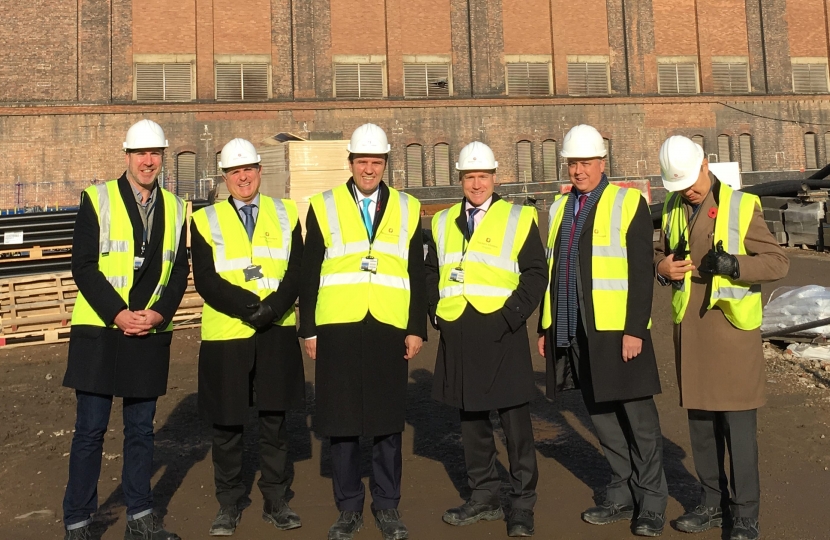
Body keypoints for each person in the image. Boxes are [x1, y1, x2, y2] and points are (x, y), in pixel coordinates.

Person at [654, 136, 789, 540]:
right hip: (691, 332)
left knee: (738, 430)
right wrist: (662, 267)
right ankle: (712, 504)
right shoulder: (672, 207)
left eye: (691, 182)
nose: (688, 191)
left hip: (732, 333)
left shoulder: (742, 205)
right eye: (678, 186)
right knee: (700, 426)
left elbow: (778, 262)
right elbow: (661, 253)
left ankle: (745, 514)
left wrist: (734, 265)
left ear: (706, 164)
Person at [538, 124, 668, 537]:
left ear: (601, 162)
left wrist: (635, 330)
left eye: (585, 163)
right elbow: (554, 271)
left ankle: (652, 501)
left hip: (618, 331)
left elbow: (641, 273)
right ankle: (621, 493)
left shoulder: (627, 202)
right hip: (574, 329)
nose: (578, 170)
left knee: (639, 421)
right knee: (603, 417)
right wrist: (546, 327)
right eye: (572, 163)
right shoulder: (559, 208)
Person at [299, 123, 427, 540]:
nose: (369, 169)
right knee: (342, 421)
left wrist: (415, 327)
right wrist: (309, 329)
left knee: (388, 421)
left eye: (376, 162)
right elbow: (309, 270)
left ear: (386, 163)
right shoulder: (324, 205)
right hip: (337, 324)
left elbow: (416, 271)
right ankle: (349, 506)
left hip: (389, 324)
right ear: (350, 162)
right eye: (361, 162)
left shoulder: (408, 207)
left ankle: (387, 504)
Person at [61, 119, 188, 540]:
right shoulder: (97, 199)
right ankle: (78, 522)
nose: (148, 161)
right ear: (128, 156)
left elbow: (178, 270)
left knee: (140, 431)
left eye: (155, 154)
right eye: (140, 154)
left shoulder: (177, 207)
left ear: (162, 157)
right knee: (90, 431)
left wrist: (159, 315)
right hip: (101, 331)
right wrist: (118, 313)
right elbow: (83, 265)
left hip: (148, 333)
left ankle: (140, 518)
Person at [426, 142, 547, 537]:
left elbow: (535, 273)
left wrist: (510, 317)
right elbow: (430, 271)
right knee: (472, 420)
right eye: (469, 177)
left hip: (502, 332)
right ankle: (484, 497)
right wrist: (436, 311)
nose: (476, 184)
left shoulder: (518, 218)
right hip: (458, 330)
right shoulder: (442, 221)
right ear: (460, 179)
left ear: (495, 178)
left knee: (515, 423)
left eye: (482, 176)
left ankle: (523, 504)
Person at [190, 138, 305, 536]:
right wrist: (248, 307)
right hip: (227, 333)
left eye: (249, 169)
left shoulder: (286, 212)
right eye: (235, 171)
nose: (243, 177)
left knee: (275, 422)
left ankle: (276, 499)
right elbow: (206, 279)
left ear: (260, 170)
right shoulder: (204, 220)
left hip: (275, 331)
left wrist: (272, 309)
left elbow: (296, 270)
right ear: (225, 177)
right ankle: (228, 504)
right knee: (227, 425)